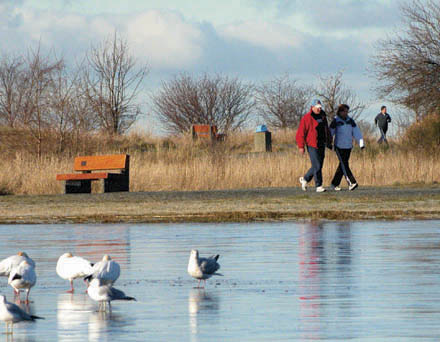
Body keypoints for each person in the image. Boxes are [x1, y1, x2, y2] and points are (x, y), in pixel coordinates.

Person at [296, 99, 332, 192]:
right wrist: (301, 146)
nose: (319, 109)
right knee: (317, 165)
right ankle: (318, 185)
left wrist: (329, 141)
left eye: (320, 108)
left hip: (321, 143)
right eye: (317, 108)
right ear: (312, 107)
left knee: (318, 165)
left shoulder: (323, 116)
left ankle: (305, 179)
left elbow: (326, 129)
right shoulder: (306, 118)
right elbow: (300, 133)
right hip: (312, 144)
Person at [329, 104, 364, 191]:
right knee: (345, 165)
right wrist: (329, 143)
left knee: (342, 165)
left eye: (347, 111)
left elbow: (357, 132)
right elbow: (330, 132)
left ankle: (334, 184)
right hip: (339, 146)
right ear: (340, 112)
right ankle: (351, 182)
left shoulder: (350, 121)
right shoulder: (336, 121)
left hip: (348, 146)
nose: (346, 113)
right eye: (344, 111)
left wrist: (361, 143)